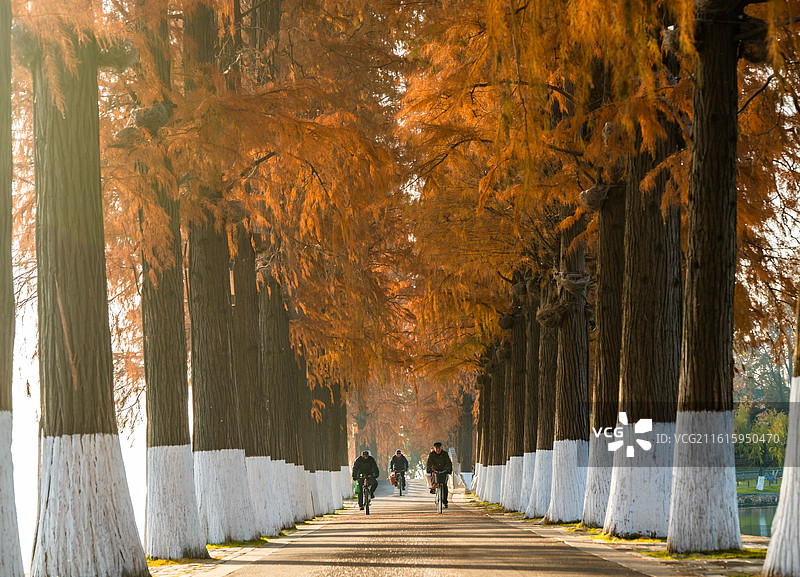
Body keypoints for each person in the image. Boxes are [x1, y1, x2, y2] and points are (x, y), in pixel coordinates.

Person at [426, 442, 453, 508]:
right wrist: (429, 468)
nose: (438, 450)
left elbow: (448, 462)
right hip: (435, 470)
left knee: (444, 485)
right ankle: (433, 488)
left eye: (439, 448)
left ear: (441, 448)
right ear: (434, 448)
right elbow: (429, 462)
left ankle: (445, 502)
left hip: (443, 471)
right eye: (436, 448)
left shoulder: (445, 454)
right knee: (432, 478)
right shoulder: (432, 454)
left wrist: (448, 469)